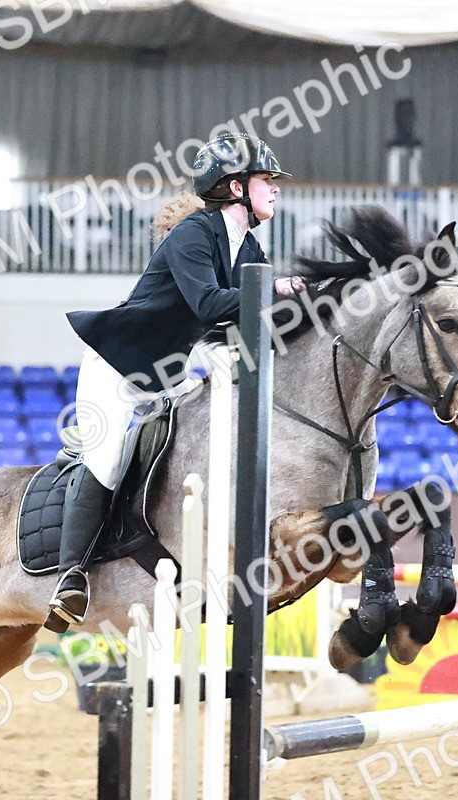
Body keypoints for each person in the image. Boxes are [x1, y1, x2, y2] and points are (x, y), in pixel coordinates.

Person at [48, 132, 304, 628]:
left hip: (171, 373)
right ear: (234, 188)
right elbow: (208, 305)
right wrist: (275, 289)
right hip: (119, 367)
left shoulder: (247, 246)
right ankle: (70, 577)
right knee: (107, 459)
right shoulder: (193, 234)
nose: (275, 189)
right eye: (266, 179)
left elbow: (236, 326)